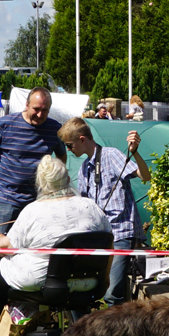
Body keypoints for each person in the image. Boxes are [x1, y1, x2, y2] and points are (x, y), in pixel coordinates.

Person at [0, 155, 110, 336]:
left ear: (40, 183)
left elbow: (8, 246)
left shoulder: (33, 210)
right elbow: (109, 240)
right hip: (89, 282)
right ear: (68, 179)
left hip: (45, 282)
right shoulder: (91, 206)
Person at [59, 117, 152, 307]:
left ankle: (116, 334)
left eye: (70, 145)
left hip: (121, 232)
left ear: (82, 139)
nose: (68, 150)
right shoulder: (84, 168)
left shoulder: (111, 155)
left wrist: (135, 154)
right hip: (99, 235)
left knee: (112, 294)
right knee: (87, 292)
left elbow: (145, 176)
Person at [0, 86, 67, 233]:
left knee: (34, 248)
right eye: (36, 109)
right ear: (27, 105)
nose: (40, 114)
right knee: (2, 248)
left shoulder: (54, 129)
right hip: (7, 199)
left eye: (45, 110)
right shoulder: (6, 124)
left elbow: (61, 156)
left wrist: (54, 182)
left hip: (39, 200)